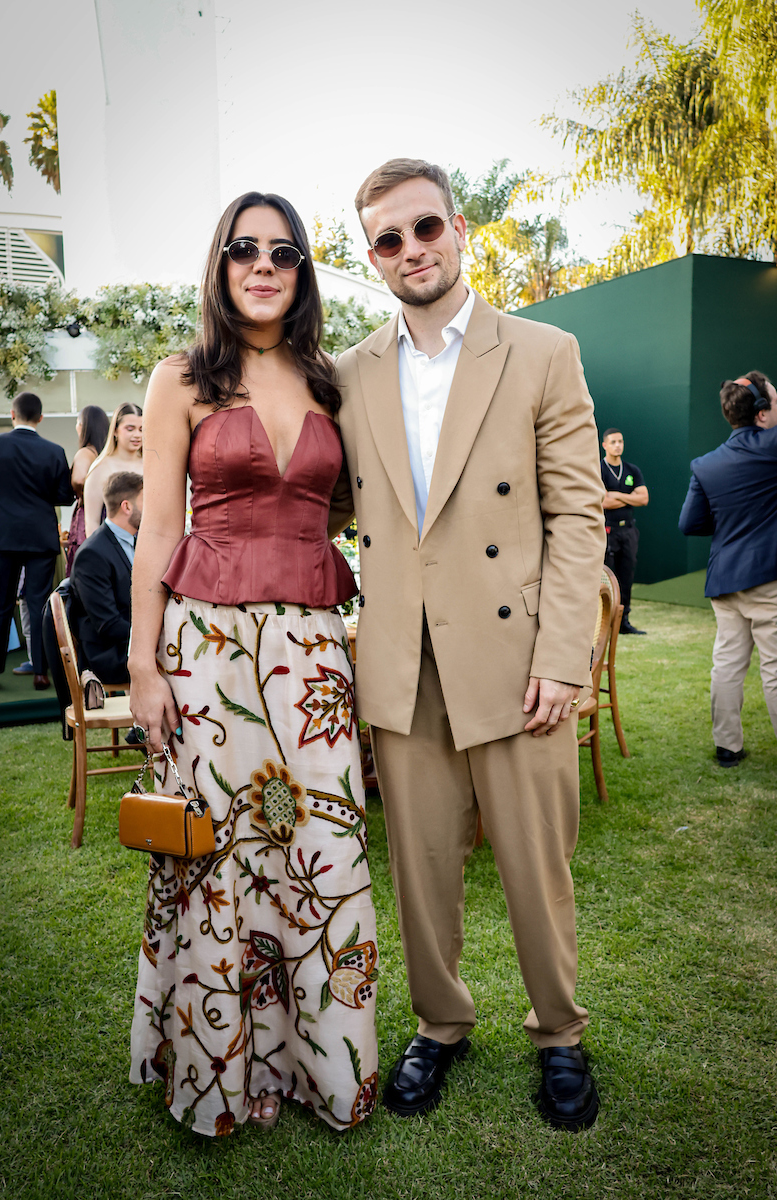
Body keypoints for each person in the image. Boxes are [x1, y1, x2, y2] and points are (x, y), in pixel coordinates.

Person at [335, 159, 606, 1131]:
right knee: (419, 867)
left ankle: (558, 1033)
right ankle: (439, 1024)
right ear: (370, 256)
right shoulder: (352, 372)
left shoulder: (541, 350)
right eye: (387, 239)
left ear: (458, 229)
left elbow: (578, 514)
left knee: (537, 863)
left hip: (513, 655)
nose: (410, 250)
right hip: (401, 663)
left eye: (423, 229)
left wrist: (561, 654)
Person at [127, 191, 378, 1137]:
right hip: (208, 656)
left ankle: (321, 1069)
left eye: (283, 250)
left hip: (312, 653)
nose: (263, 264)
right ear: (220, 265)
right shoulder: (182, 378)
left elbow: (355, 509)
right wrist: (144, 667)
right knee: (219, 860)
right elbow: (157, 534)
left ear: (304, 269)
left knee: (313, 853)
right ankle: (222, 1067)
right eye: (244, 248)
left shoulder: (331, 385)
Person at [678, 371, 777, 766]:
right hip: (768, 579)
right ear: (762, 414)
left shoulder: (706, 464)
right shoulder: (772, 446)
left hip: (724, 581)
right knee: (774, 668)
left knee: (728, 665)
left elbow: (691, 524)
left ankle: (727, 747)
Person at [0, 391, 73, 690]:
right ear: (41, 418)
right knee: (38, 604)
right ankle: (41, 673)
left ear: (12, 414)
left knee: (1, 606)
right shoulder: (54, 450)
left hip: (4, 536)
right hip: (41, 537)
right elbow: (64, 497)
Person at [70, 471, 141, 683]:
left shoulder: (136, 541)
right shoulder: (93, 554)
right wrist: (156, 637)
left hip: (129, 644)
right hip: (108, 655)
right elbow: (108, 625)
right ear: (126, 507)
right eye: (146, 502)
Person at [600, 428, 649, 634]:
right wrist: (628, 497)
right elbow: (602, 501)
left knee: (626, 577)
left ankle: (623, 622)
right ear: (604, 445)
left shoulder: (632, 470)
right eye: (613, 442)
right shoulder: (598, 469)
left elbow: (644, 499)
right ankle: (605, 623)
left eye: (620, 441)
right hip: (607, 532)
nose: (618, 445)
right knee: (608, 578)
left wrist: (617, 494)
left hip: (628, 532)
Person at [83, 402, 142, 537]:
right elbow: (92, 522)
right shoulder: (100, 468)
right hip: (113, 547)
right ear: (115, 430)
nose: (137, 435)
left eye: (141, 429)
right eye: (130, 428)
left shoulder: (151, 465)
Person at [64, 405, 111, 575]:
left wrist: (83, 495)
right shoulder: (106, 454)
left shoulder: (85, 452)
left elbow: (78, 478)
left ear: (83, 426)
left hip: (87, 515)